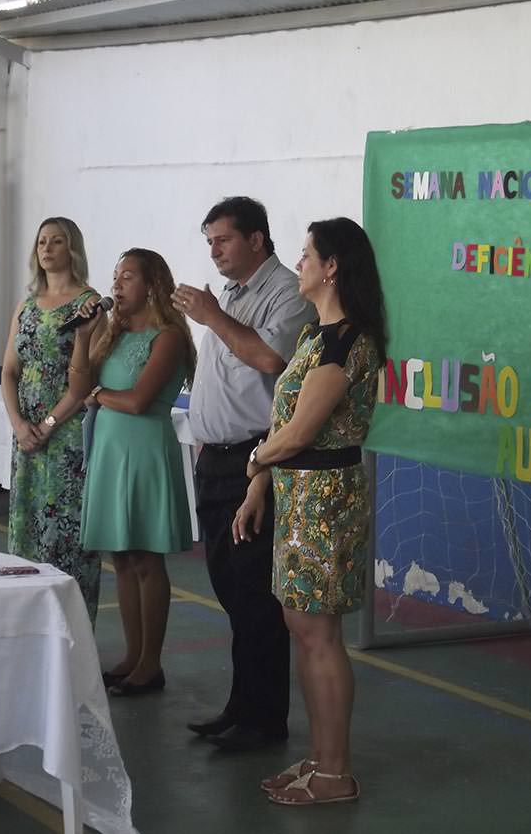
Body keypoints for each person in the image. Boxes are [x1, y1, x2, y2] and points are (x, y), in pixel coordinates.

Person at [232, 217, 386, 806]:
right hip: (298, 497)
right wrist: (260, 484)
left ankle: (336, 772)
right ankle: (320, 757)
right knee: (303, 629)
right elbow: (284, 426)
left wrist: (254, 462)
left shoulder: (348, 342)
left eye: (305, 255)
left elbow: (299, 433)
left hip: (326, 502)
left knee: (320, 635)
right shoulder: (314, 337)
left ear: (332, 267)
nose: (298, 264)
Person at [172, 196, 316, 751]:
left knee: (256, 595)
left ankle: (264, 720)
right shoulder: (230, 295)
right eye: (209, 242)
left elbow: (270, 360)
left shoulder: (285, 292)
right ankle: (241, 706)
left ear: (256, 239)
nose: (214, 251)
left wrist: (212, 317)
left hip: (256, 460)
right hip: (217, 457)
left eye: (224, 240)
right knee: (231, 591)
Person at [82, 248, 197, 697]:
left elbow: (137, 401)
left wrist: (98, 394)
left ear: (151, 285)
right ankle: (132, 656)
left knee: (147, 559)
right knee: (123, 558)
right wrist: (84, 336)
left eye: (127, 276)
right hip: (111, 450)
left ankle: (151, 663)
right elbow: (78, 382)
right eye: (115, 275)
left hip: (144, 450)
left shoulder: (167, 337)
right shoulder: (114, 333)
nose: (116, 284)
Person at [1, 217, 104, 623]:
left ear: (71, 248)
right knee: (27, 532)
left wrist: (47, 424)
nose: (46, 248)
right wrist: (18, 424)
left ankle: (71, 631)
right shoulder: (26, 306)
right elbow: (9, 371)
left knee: (66, 535)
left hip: (67, 435)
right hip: (27, 437)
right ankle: (28, 628)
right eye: (42, 241)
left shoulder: (88, 305)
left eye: (56, 241)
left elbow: (87, 379)